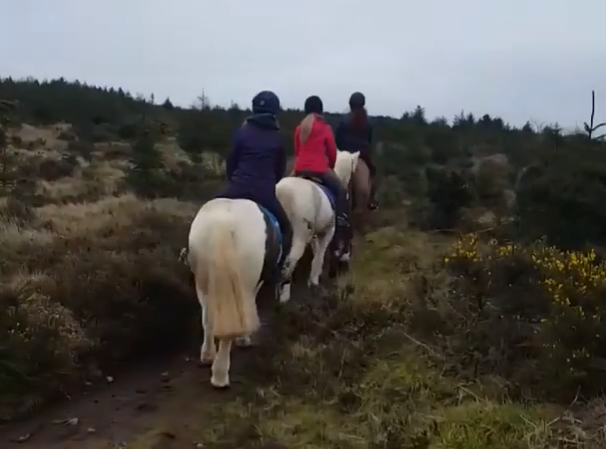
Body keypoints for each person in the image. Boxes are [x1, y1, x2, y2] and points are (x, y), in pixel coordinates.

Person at [215, 90, 292, 279]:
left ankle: (188, 253)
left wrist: (235, 181)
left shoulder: (242, 133)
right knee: (287, 229)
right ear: (275, 111)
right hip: (263, 193)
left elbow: (231, 162)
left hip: (237, 188)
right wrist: (268, 183)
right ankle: (278, 270)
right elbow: (280, 170)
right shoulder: (277, 138)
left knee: (205, 210)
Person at [293, 95, 351, 258]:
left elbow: (297, 151)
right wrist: (330, 167)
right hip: (319, 169)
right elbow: (332, 153)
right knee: (341, 191)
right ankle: (340, 222)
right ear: (320, 110)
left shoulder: (299, 128)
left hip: (299, 168)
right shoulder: (325, 128)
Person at [335, 91, 378, 209]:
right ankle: (370, 202)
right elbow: (369, 141)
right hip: (360, 157)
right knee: (372, 174)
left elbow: (337, 139)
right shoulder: (368, 122)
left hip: (343, 155)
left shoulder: (343, 121)